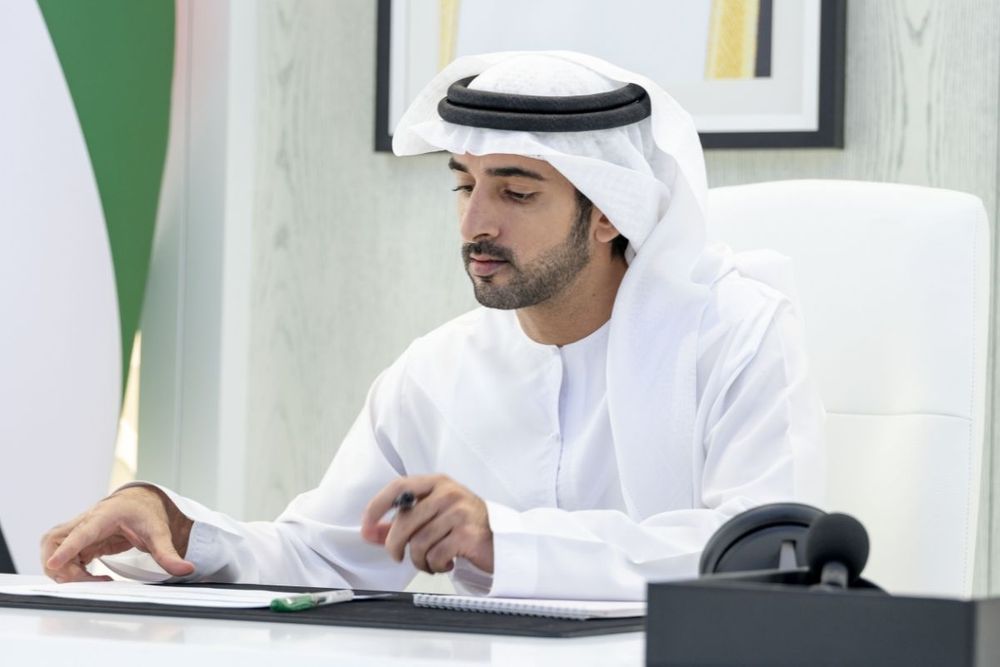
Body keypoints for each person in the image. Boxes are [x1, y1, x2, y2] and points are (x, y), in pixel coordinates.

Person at [41, 51, 824, 600]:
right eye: (463, 185)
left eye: (516, 193)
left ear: (608, 215)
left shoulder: (736, 334)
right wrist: (181, 527)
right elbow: (325, 556)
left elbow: (759, 555)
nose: (476, 222)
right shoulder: (435, 372)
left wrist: (500, 541)